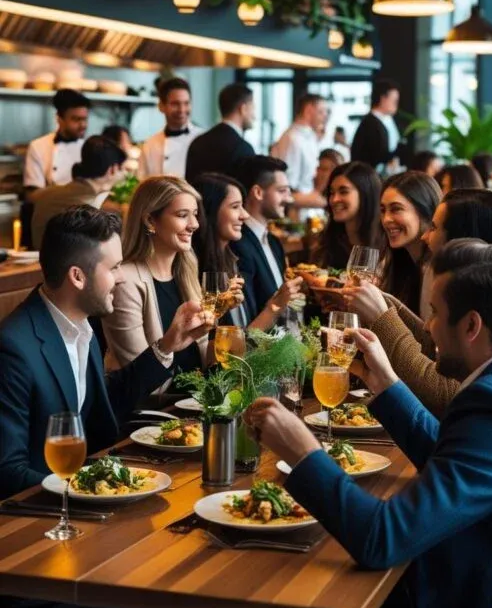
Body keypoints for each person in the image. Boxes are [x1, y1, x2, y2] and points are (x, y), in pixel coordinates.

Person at [247, 240, 492, 608]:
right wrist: (387, 384)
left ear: (472, 325)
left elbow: (382, 539)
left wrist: (303, 452)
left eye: (435, 314)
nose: (427, 327)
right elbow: (452, 457)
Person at [0, 205, 210, 499]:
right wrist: (96, 490)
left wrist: (167, 347)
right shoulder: (13, 348)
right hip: (38, 520)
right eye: (113, 268)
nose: (121, 278)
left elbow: (101, 401)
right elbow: (7, 471)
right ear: (77, 276)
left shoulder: (80, 323)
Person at [345, 188, 492, 418]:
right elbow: (431, 342)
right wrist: (385, 304)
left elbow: (445, 394)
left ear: (464, 238)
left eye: (434, 227)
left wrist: (383, 319)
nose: (424, 236)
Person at [102, 177, 212, 381]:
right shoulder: (125, 281)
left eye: (195, 215)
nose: (194, 225)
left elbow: (202, 354)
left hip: (195, 402)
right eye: (182, 215)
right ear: (150, 220)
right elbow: (139, 380)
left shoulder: (186, 270)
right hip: (153, 409)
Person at [193, 172, 302, 330]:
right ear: (211, 210)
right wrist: (274, 306)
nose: (244, 215)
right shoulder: (197, 270)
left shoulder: (231, 262)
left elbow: (244, 336)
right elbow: (229, 347)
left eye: (242, 206)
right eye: (235, 207)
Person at [230, 156, 301, 321]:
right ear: (258, 192)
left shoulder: (274, 242)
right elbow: (245, 324)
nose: (290, 199)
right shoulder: (238, 244)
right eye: (282, 191)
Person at [31, 136, 127, 249]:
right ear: (112, 170)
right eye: (123, 169)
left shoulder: (47, 194)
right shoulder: (91, 205)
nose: (125, 173)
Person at [379, 171, 441, 315]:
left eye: (396, 209)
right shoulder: (398, 261)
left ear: (426, 212)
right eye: (383, 210)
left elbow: (429, 336)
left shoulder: (435, 270)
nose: (386, 219)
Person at [310, 162, 381, 270]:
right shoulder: (327, 245)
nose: (334, 199)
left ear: (365, 194)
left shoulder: (386, 246)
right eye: (332, 193)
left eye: (343, 192)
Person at [24, 89, 90, 197]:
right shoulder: (38, 146)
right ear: (59, 119)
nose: (83, 125)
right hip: (50, 209)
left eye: (85, 119)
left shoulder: (89, 147)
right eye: (76, 119)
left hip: (83, 210)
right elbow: (32, 193)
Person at [185, 83, 255, 184]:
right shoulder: (244, 148)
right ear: (243, 109)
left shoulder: (197, 142)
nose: (254, 116)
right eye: (253, 108)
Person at [138, 78, 203, 179]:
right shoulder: (149, 145)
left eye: (186, 103)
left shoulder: (203, 139)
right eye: (175, 104)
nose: (182, 109)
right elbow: (141, 184)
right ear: (161, 106)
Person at [271, 94, 329, 198]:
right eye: (321, 111)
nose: (325, 116)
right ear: (308, 110)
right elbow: (289, 185)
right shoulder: (293, 138)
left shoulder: (309, 137)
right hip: (299, 208)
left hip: (309, 204)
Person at [351, 78, 400, 171]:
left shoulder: (386, 121)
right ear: (383, 99)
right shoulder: (370, 125)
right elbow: (376, 155)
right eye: (394, 101)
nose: (396, 106)